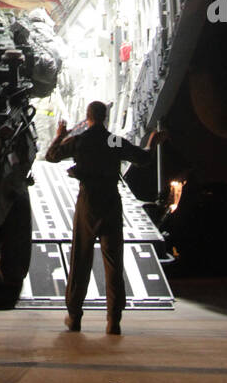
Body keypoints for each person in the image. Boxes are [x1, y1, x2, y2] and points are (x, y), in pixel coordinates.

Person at [45, 102, 165, 334]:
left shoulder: (80, 140)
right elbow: (144, 158)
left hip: (88, 202)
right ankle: (113, 321)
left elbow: (51, 157)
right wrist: (152, 141)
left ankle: (75, 316)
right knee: (113, 262)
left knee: (80, 260)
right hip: (111, 201)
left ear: (88, 117)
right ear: (105, 118)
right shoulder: (112, 141)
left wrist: (60, 136)